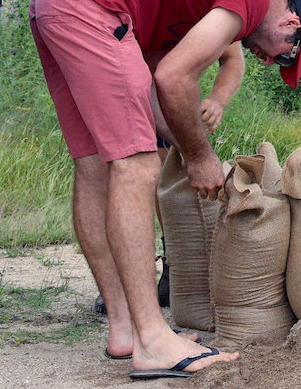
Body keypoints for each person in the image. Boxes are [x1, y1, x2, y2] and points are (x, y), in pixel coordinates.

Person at [28, 0, 301, 379]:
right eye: (286, 55)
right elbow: (173, 79)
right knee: (135, 165)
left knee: (96, 165)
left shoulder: (189, 5)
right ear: (291, 22)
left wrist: (197, 149)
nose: (270, 61)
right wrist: (199, 157)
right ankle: (152, 341)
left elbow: (151, 91)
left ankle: (126, 328)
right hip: (91, 0)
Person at [93, 41, 245, 314]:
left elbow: (232, 57)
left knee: (166, 175)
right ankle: (121, 281)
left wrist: (218, 100)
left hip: (168, 97)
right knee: (116, 177)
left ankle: (173, 267)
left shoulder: (210, 10)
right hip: (119, 84)